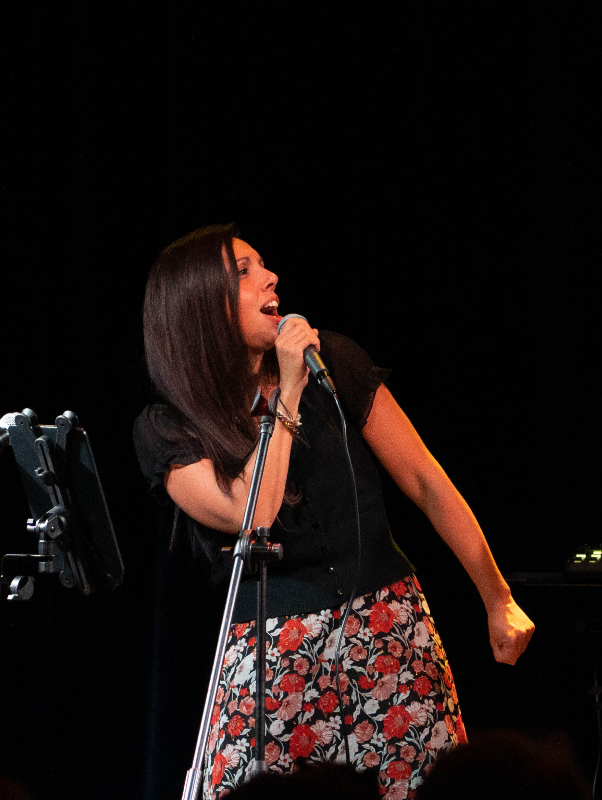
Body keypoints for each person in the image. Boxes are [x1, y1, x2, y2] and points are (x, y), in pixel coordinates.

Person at [135, 225, 536, 800]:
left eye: (265, 264)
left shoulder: (335, 360)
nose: (271, 278)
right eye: (245, 271)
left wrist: (497, 597)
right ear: (201, 304)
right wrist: (289, 394)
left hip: (388, 627)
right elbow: (255, 513)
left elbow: (424, 480)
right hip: (275, 656)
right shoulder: (167, 428)